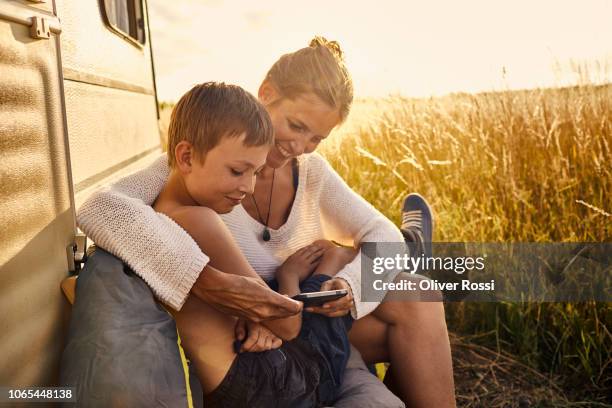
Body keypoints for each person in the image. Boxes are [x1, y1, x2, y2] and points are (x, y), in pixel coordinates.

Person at [78, 36, 455, 407]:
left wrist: (352, 288)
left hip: (298, 317)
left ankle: (407, 250)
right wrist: (210, 284)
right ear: (267, 93)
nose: (299, 146)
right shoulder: (198, 163)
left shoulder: (311, 172)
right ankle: (413, 248)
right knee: (350, 260)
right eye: (295, 125)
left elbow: (380, 234)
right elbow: (100, 209)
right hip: (272, 336)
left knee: (418, 294)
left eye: (316, 139)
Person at [153, 81, 356, 407]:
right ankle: (339, 257)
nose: (248, 187)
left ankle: (346, 254)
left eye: (256, 173)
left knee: (328, 262)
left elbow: (244, 305)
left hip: (250, 377)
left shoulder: (159, 209)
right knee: (326, 270)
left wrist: (255, 317)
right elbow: (288, 326)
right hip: (279, 386)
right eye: (237, 171)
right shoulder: (201, 220)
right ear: (186, 156)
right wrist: (289, 276)